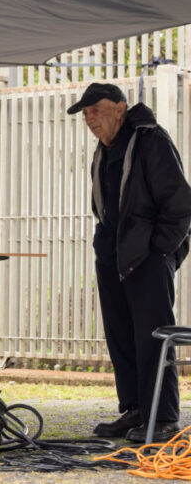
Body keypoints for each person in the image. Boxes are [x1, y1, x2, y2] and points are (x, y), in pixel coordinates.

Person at [67, 83, 191, 442]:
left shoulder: (150, 140)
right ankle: (135, 410)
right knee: (121, 337)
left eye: (97, 109)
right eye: (85, 113)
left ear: (120, 107)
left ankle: (163, 417)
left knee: (153, 338)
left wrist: (161, 253)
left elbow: (180, 205)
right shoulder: (104, 149)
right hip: (113, 257)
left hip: (147, 258)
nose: (90, 118)